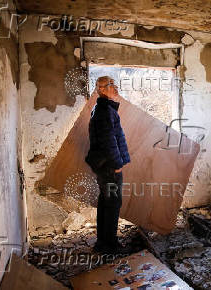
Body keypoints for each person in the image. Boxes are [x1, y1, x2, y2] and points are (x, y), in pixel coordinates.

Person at [85, 76, 130, 253]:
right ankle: (110, 245)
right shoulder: (104, 111)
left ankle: (103, 243)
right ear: (101, 90)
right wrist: (117, 164)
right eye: (110, 85)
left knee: (106, 203)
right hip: (110, 168)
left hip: (104, 166)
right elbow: (108, 141)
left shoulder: (102, 108)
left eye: (114, 83)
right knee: (112, 204)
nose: (115, 87)